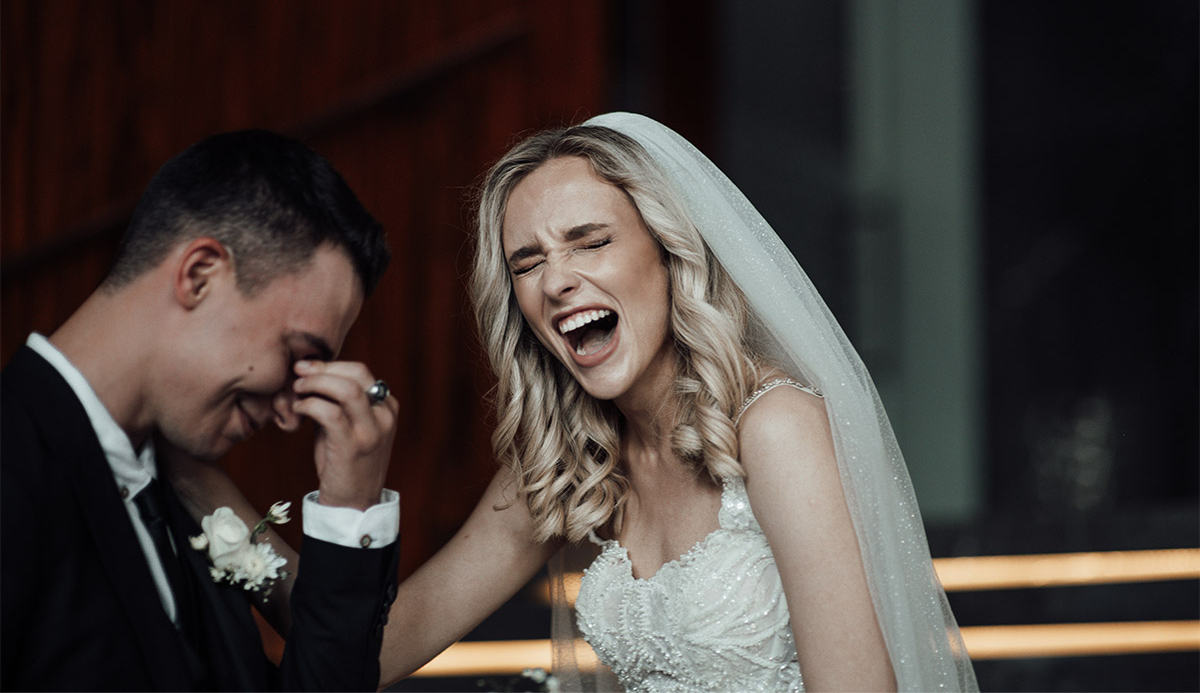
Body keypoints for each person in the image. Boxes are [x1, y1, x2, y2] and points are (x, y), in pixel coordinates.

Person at [176, 114, 977, 691]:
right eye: (528, 261)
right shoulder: (563, 468)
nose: (557, 280)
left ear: (670, 254)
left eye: (590, 241)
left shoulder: (776, 429)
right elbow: (371, 649)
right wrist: (196, 481)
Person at [1, 130, 402, 691]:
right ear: (199, 275)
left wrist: (350, 510)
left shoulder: (182, 507)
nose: (291, 413)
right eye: (297, 356)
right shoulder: (12, 462)